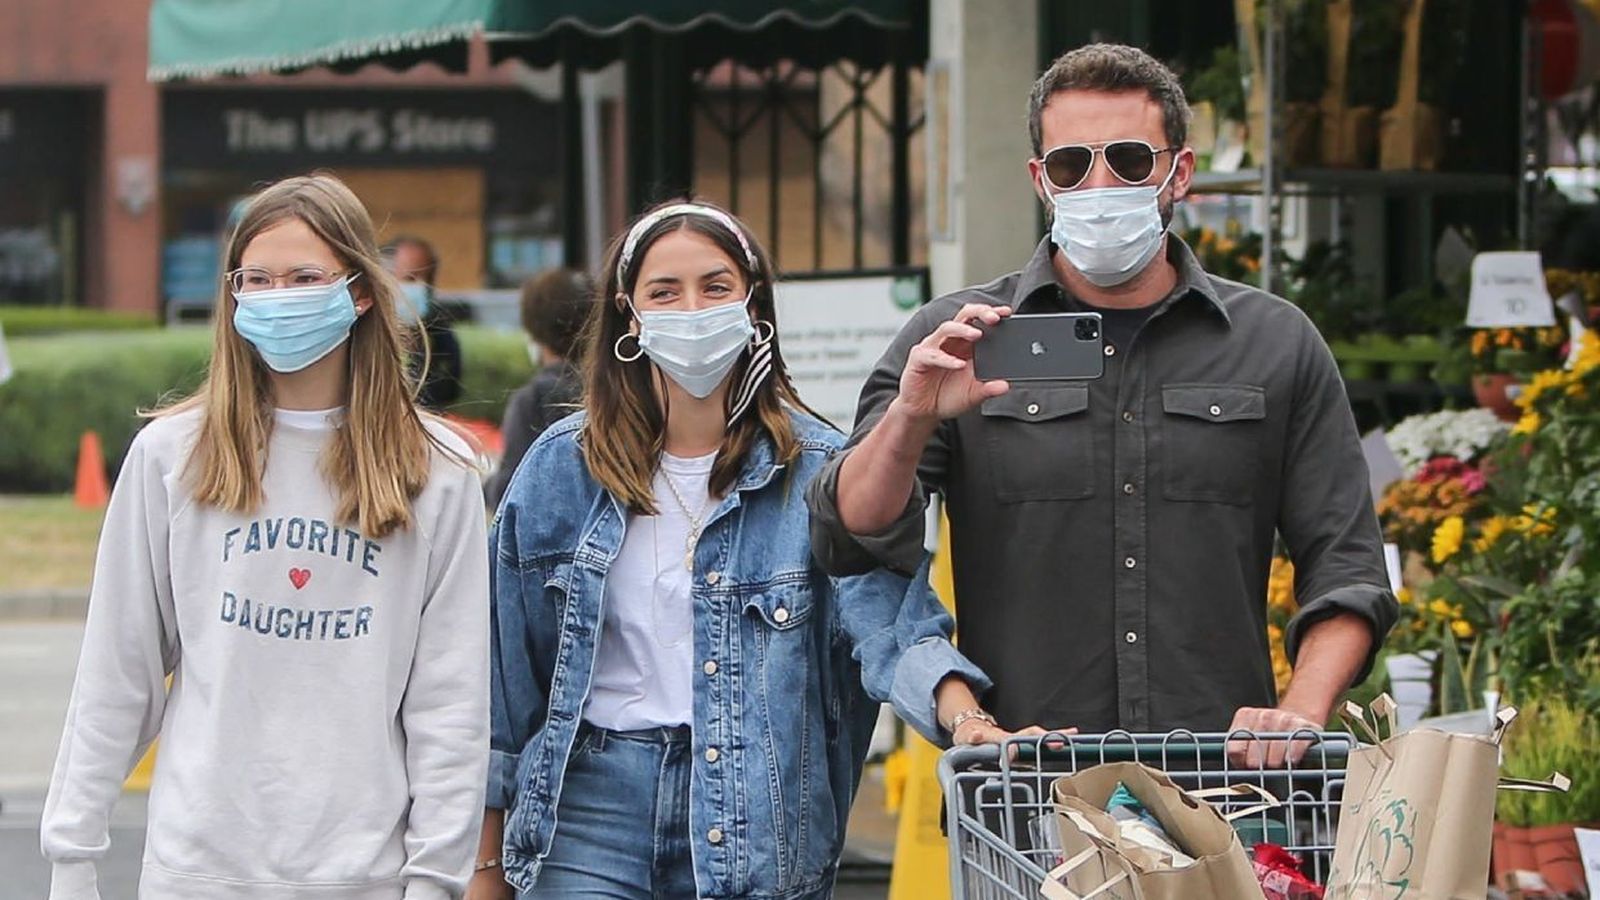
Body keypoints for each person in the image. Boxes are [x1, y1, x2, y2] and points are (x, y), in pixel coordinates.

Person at [807, 43, 1399, 765]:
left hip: (1225, 787)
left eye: (1127, 160)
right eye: (1070, 165)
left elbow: (1347, 568)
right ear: (1040, 181)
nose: (1099, 184)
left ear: (1177, 171)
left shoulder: (1276, 343)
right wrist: (912, 416)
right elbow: (851, 537)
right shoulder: (957, 338)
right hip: (1024, 791)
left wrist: (1300, 711)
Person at [472, 201, 1024, 900]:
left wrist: (964, 716)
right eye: (664, 293)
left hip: (755, 815)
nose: (692, 310)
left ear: (754, 305)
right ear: (629, 316)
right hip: (590, 810)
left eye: (716, 286)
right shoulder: (560, 470)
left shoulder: (820, 467)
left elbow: (891, 621)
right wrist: (485, 867)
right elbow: (502, 682)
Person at [41, 174, 490, 899]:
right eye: (258, 279)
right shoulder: (171, 457)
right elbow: (118, 671)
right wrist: (71, 854)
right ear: (233, 294)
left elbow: (451, 702)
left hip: (365, 873)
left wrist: (436, 878)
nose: (279, 296)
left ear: (360, 291)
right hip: (200, 867)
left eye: (305, 277)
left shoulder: (438, 473)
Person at [485, 267, 592, 509]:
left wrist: (483, 487)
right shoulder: (616, 389)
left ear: (534, 329)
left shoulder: (533, 400)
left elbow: (511, 488)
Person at [386, 234, 465, 411]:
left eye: (428, 278)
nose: (421, 286)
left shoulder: (439, 330)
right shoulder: (359, 330)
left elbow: (449, 388)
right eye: (411, 278)